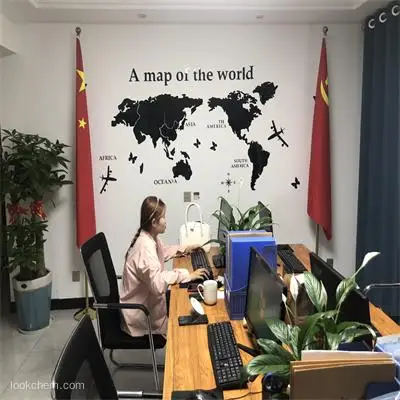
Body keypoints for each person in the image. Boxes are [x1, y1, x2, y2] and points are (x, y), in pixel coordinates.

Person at [120, 195, 208, 338]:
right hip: (141, 316)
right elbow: (158, 284)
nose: (166, 221)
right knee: (187, 319)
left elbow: (163, 251)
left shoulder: (149, 237)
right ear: (154, 222)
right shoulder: (145, 247)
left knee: (185, 302)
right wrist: (186, 275)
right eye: (163, 218)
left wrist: (186, 248)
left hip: (148, 305)